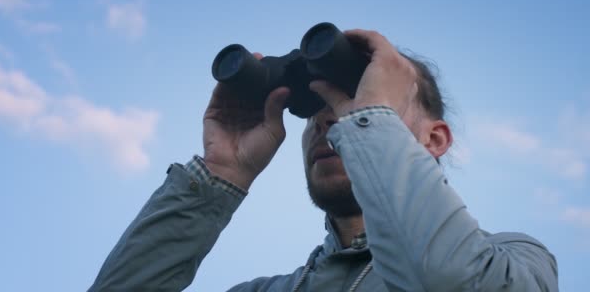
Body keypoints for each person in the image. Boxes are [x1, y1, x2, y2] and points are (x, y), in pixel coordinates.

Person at [88, 29, 558, 291]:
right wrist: (218, 177)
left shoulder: (517, 261)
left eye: (357, 100)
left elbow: (449, 279)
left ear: (434, 139)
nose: (329, 120)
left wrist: (369, 127)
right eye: (316, 107)